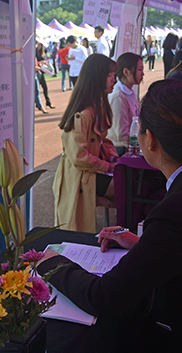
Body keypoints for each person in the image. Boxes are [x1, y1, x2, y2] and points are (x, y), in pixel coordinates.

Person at [39, 79, 182, 352]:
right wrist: (143, 244)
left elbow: (103, 297)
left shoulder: (179, 210)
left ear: (151, 140)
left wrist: (53, 264)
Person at [53, 54, 118, 233]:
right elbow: (79, 156)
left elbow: (103, 140)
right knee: (127, 187)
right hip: (79, 177)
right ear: (97, 77)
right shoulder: (83, 113)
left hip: (90, 172)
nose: (114, 79)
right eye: (110, 75)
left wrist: (113, 157)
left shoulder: (99, 105)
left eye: (114, 75)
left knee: (128, 186)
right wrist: (108, 166)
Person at [107, 52, 143, 156]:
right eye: (139, 69)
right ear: (126, 72)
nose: (143, 74)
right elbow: (122, 135)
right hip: (121, 150)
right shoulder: (118, 96)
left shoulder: (129, 92)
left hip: (129, 146)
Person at [35, 43, 54, 109]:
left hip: (41, 72)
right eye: (38, 45)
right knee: (36, 90)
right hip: (37, 72)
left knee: (45, 88)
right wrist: (40, 63)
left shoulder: (43, 53)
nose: (39, 46)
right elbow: (35, 63)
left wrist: (44, 62)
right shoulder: (34, 52)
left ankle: (48, 102)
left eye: (40, 45)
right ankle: (38, 103)